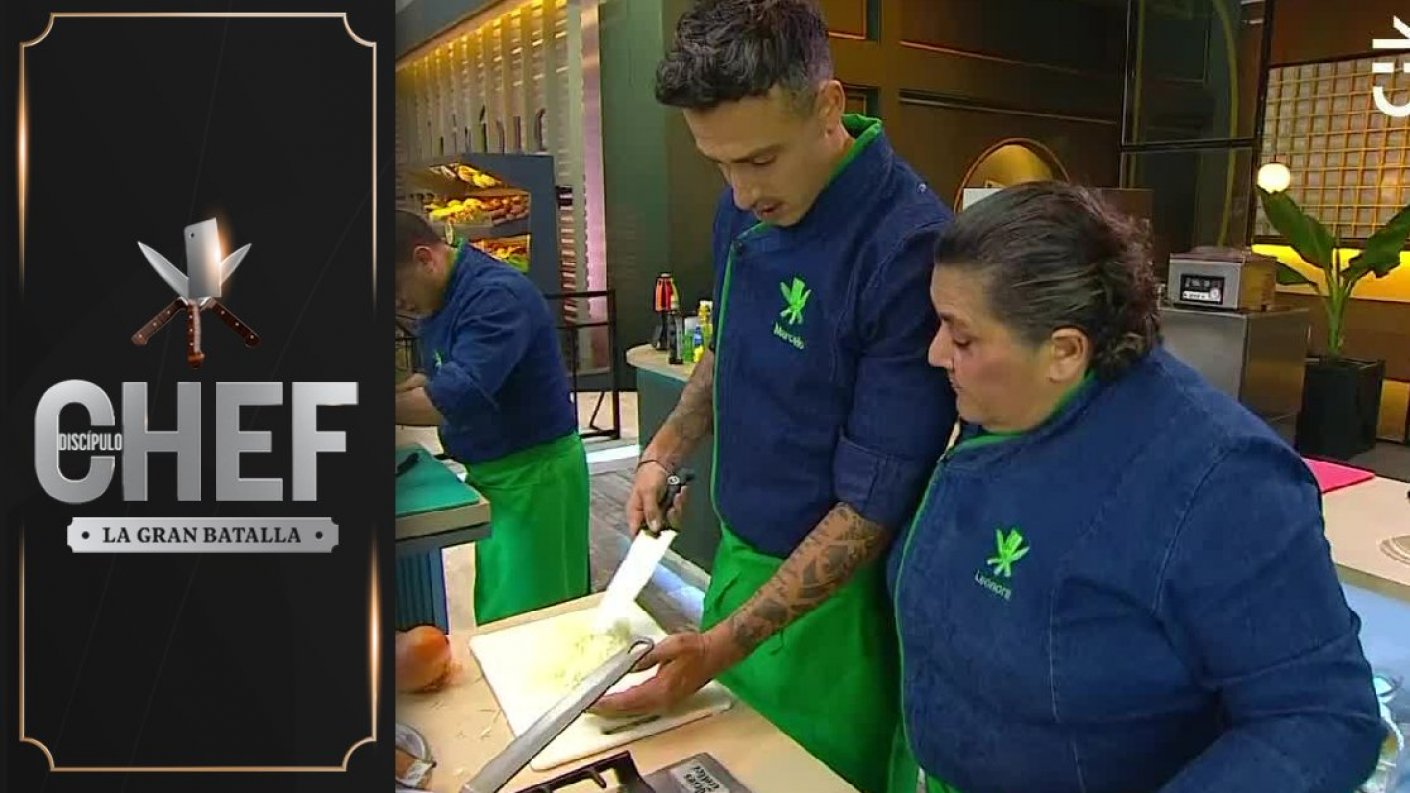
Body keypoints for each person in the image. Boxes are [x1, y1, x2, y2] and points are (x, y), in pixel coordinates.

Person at [887, 181, 1385, 793]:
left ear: (1064, 351)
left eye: (962, 337)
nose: (936, 353)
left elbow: (1323, 718)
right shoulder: (1003, 401)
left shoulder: (1222, 482)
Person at [592, 2, 957, 791]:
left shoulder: (905, 246)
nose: (742, 190)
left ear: (828, 106)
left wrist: (721, 643)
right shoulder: (743, 206)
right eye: (719, 163)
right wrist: (665, 449)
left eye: (760, 159)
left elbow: (872, 506)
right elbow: (728, 346)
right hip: (737, 564)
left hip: (836, 610)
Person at [393, 209, 589, 626]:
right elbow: (436, 373)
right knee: (505, 610)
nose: (400, 306)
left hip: (536, 475)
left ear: (425, 259)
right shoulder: (443, 296)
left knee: (535, 622)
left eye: (396, 293)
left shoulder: (496, 297)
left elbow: (456, 396)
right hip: (495, 476)